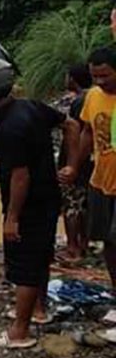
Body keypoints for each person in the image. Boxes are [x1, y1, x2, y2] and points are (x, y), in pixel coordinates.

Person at [0, 57, 77, 349]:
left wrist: (11, 218)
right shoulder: (30, 107)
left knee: (24, 265)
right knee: (40, 256)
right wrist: (71, 165)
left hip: (29, 204)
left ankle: (19, 331)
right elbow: (71, 125)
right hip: (48, 197)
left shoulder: (10, 128)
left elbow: (19, 177)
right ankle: (39, 311)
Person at [63, 47, 116, 290]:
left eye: (106, 75)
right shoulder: (93, 96)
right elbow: (87, 132)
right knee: (108, 242)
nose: (100, 81)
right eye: (95, 76)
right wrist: (74, 166)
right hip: (101, 181)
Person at [54, 64, 93, 262]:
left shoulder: (80, 102)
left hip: (75, 161)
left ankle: (72, 248)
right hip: (90, 162)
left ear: (73, 79)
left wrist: (71, 164)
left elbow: (76, 133)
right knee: (83, 203)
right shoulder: (94, 97)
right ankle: (84, 244)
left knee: (71, 205)